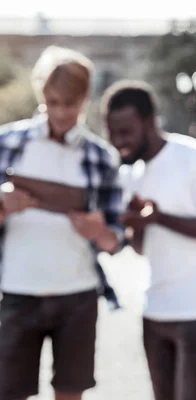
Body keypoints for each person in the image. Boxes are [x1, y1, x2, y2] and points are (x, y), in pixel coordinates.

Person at [0, 46, 123, 400]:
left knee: (70, 394)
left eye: (70, 104)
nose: (61, 112)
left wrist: (99, 231)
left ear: (85, 98)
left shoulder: (101, 158)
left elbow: (116, 240)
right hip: (17, 292)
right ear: (41, 95)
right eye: (52, 102)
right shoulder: (7, 144)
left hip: (77, 297)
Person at [102, 80, 196, 400]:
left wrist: (160, 217)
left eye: (126, 131)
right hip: (154, 310)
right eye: (112, 132)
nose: (118, 141)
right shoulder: (130, 173)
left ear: (150, 122)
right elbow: (139, 248)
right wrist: (139, 224)